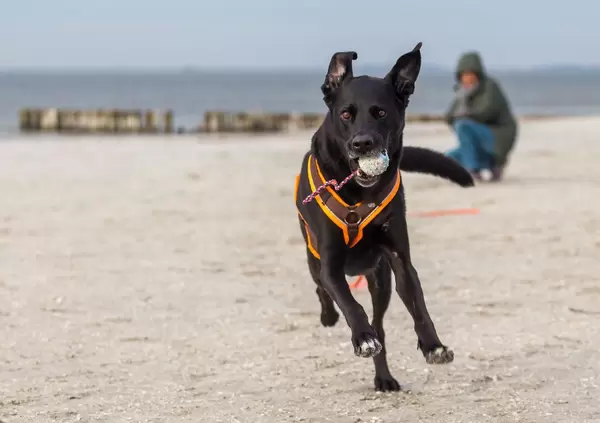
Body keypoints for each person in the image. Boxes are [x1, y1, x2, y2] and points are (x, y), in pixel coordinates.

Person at [444, 51, 517, 182]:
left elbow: (486, 112)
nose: (467, 78)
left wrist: (465, 115)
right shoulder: (462, 93)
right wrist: (461, 106)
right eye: (464, 75)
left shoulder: (490, 87)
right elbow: (450, 117)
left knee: (463, 125)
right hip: (476, 143)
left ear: (478, 73)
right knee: (447, 159)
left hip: (496, 136)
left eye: (470, 74)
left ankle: (473, 170)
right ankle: (492, 166)